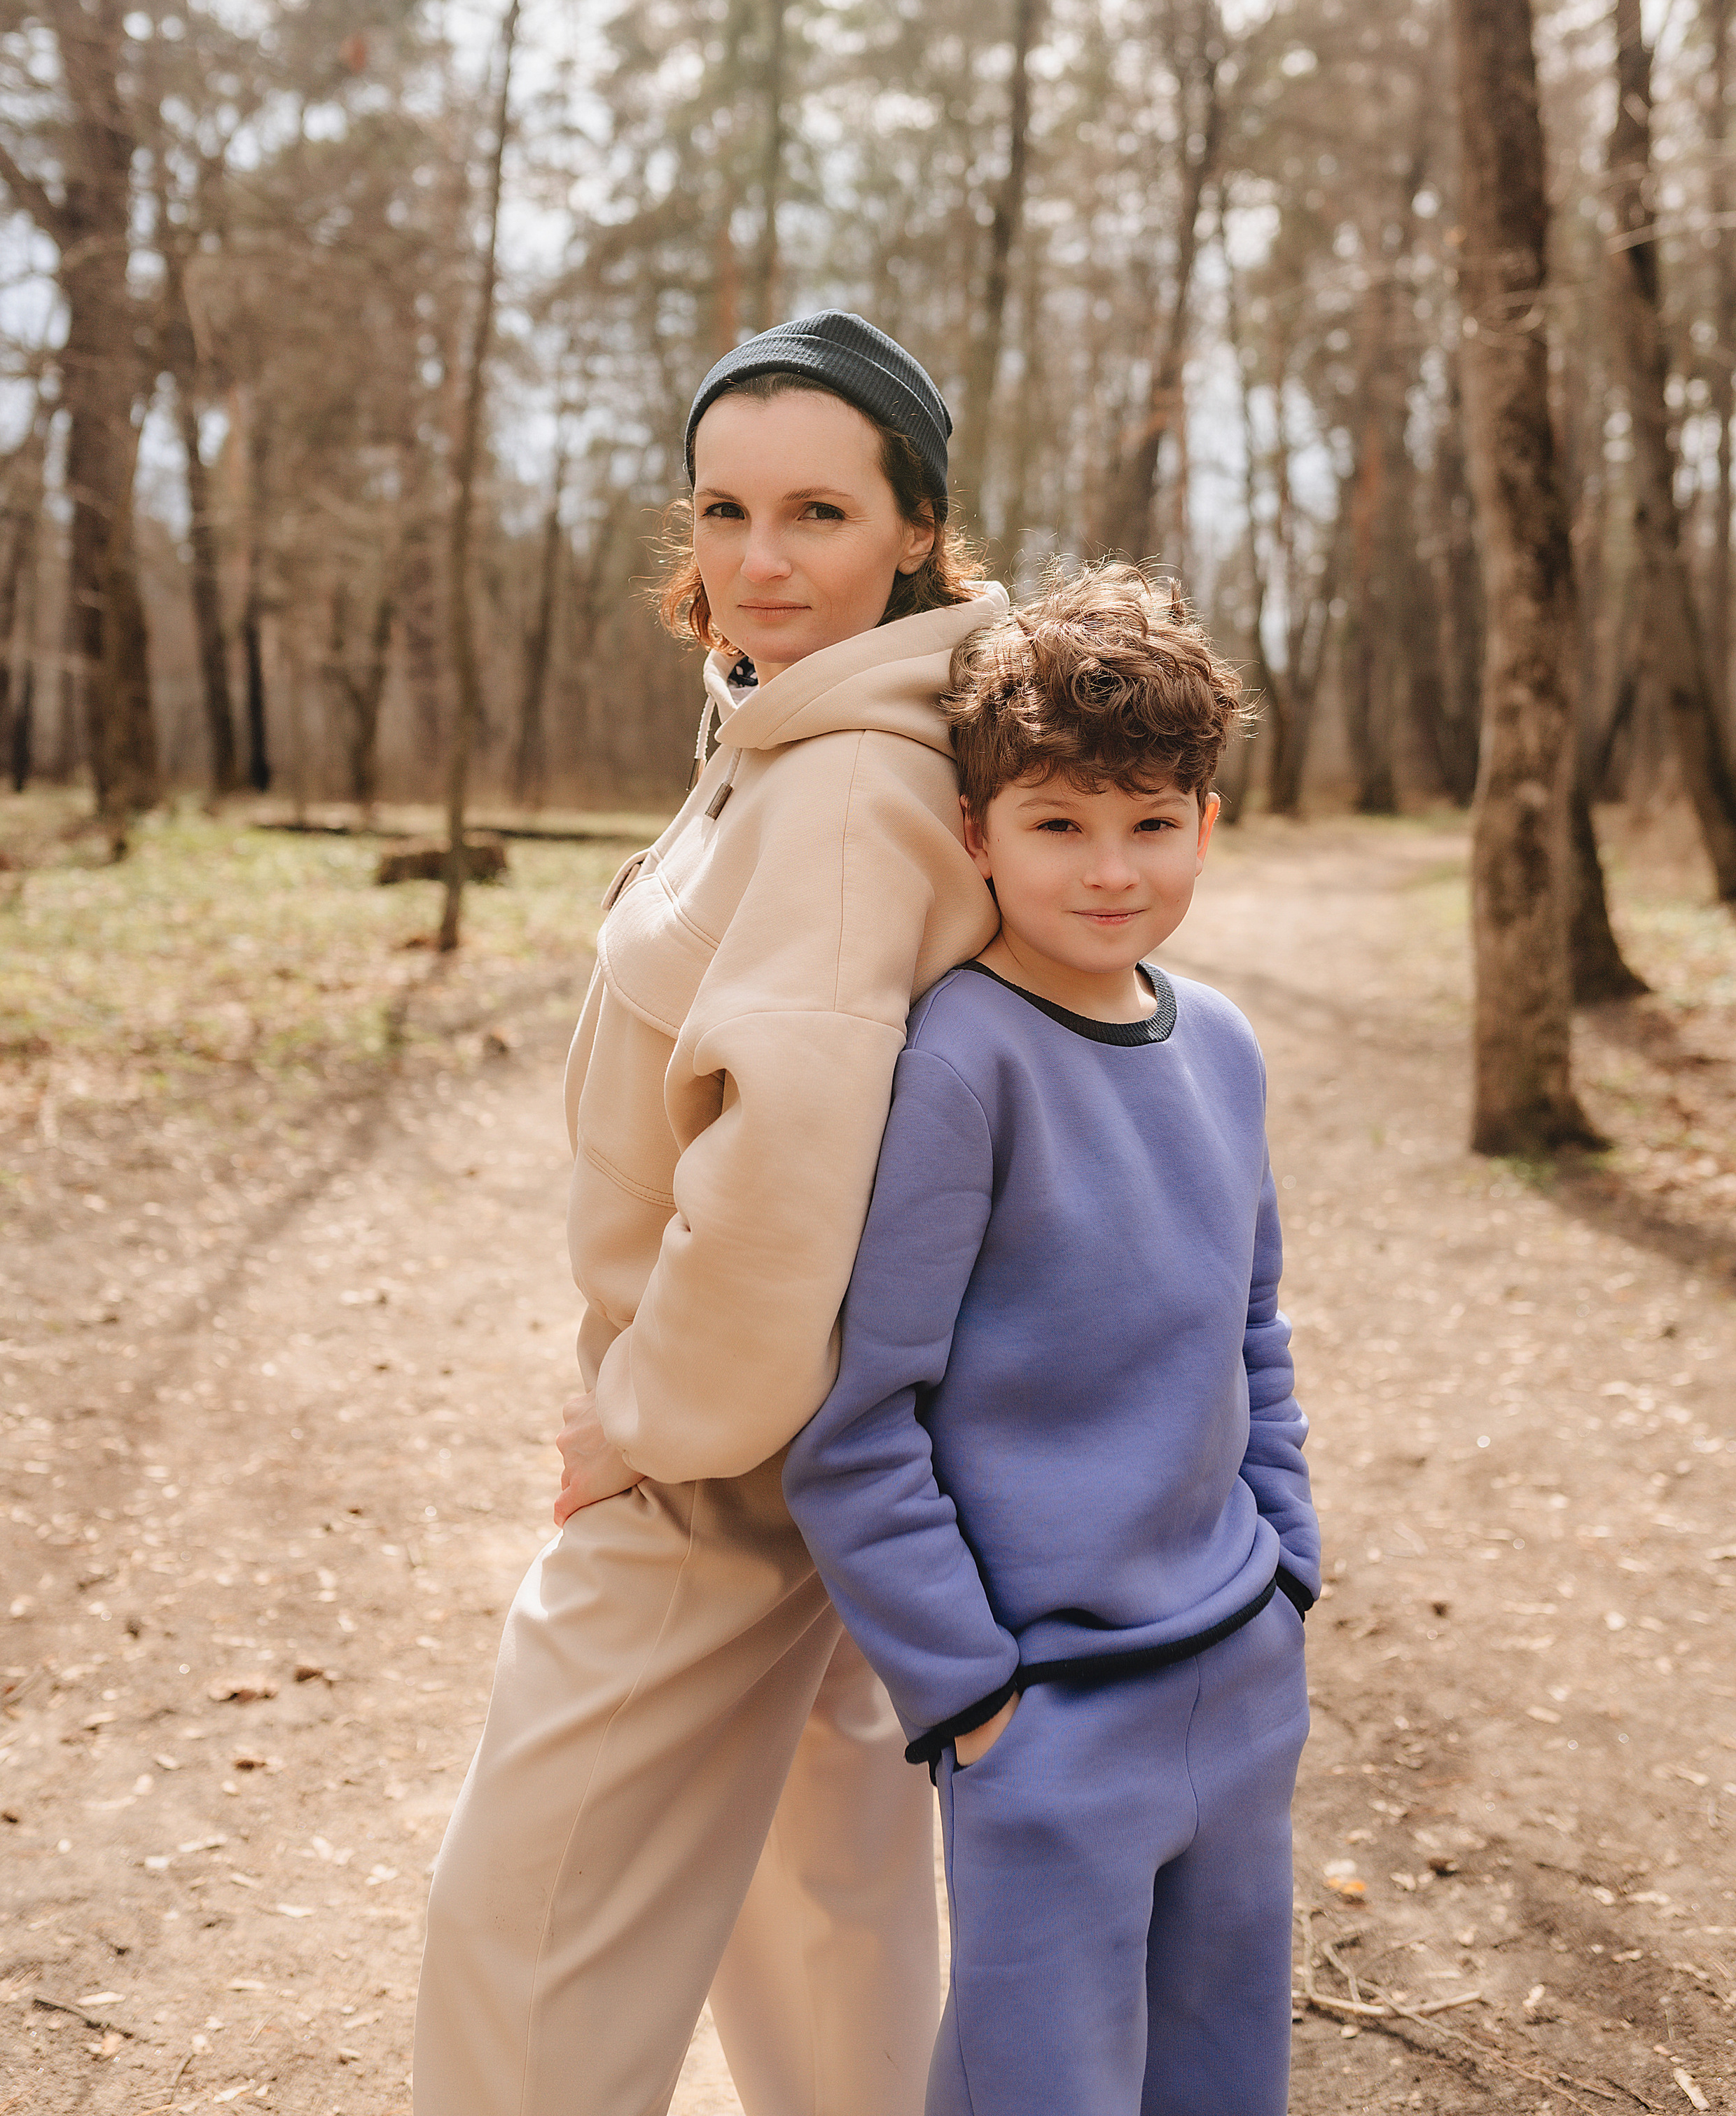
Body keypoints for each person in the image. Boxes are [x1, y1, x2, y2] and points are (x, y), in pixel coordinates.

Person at [413, 311, 1008, 2116]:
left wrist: (643, 1422)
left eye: (817, 513)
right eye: (724, 511)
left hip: (729, 1456)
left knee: (524, 1929)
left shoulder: (843, 784)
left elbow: (783, 1175)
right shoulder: (806, 732)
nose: (758, 562)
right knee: (814, 1893)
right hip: (829, 1436)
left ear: (914, 526)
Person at [782, 565, 1321, 2116]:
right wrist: (973, 1696)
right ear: (975, 835)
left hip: (1237, 1664)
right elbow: (858, 1420)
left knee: (1222, 2076)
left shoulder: (1217, 1043)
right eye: (1057, 825)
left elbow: (1247, 1327)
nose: (1109, 871)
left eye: (1151, 824)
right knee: (1037, 2089)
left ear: (1205, 827)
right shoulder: (959, 1063)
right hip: (1047, 1714)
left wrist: (1285, 1562)